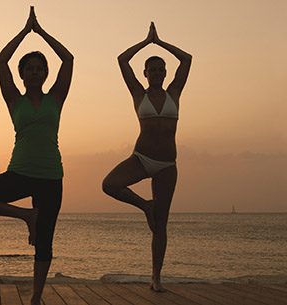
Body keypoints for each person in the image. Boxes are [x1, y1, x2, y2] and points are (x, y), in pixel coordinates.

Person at [0, 7, 73, 305]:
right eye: (30, 68)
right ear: (22, 74)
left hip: (51, 175)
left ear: (45, 73)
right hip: (20, 172)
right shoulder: (14, 99)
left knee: (45, 243)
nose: (35, 71)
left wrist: (42, 33)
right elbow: (1, 60)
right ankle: (27, 215)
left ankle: (36, 298)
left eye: (40, 68)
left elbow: (69, 59)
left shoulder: (56, 98)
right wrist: (25, 32)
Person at [102, 22, 191, 292]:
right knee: (109, 184)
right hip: (141, 158)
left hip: (167, 165)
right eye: (152, 69)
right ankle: (145, 206)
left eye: (161, 69)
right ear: (145, 73)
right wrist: (145, 42)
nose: (157, 73)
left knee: (161, 225)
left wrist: (159, 41)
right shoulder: (138, 93)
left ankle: (156, 278)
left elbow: (186, 59)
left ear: (165, 73)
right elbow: (122, 59)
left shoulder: (174, 92)